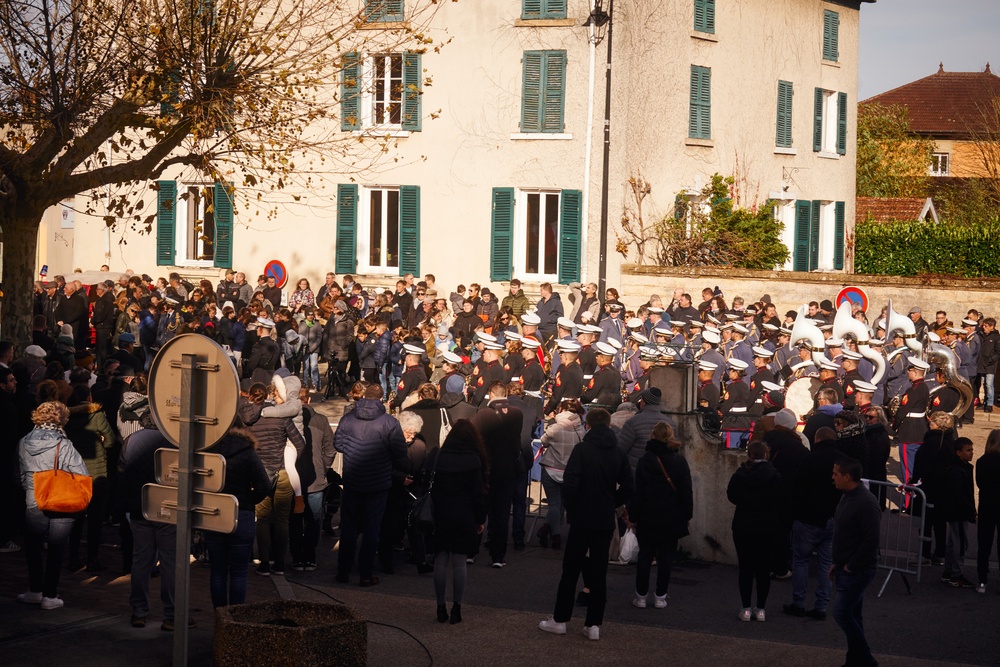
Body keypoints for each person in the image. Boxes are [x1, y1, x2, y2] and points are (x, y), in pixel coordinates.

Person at [538, 408, 633, 641]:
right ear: (609, 424)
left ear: (588, 425)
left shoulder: (582, 450)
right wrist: (613, 502)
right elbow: (628, 487)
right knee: (599, 572)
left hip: (582, 517)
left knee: (571, 569)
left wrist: (573, 507)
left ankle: (560, 619)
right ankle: (593, 624)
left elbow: (571, 484)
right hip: (603, 517)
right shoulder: (618, 452)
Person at [16, 401, 90, 610]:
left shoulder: (23, 442)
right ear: (62, 420)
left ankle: (35, 590)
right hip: (62, 500)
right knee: (57, 550)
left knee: (33, 548)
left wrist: (31, 490)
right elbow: (81, 473)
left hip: (33, 500)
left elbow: (19, 474)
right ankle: (50, 595)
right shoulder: (63, 444)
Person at [334, 383, 407, 586]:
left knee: (349, 527)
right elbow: (400, 452)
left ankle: (343, 571)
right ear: (381, 399)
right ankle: (365, 573)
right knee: (372, 529)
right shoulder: (389, 423)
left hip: (353, 479)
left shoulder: (348, 419)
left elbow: (338, 444)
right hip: (378, 482)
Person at [201, 427, 270, 607]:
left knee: (217, 571)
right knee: (239, 572)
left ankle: (219, 616)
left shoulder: (208, 451)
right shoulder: (248, 452)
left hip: (213, 512)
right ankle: (234, 618)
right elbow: (264, 485)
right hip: (241, 513)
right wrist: (248, 501)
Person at [628, 422, 693, 610]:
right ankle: (660, 596)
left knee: (645, 556)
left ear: (653, 436)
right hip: (672, 515)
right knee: (666, 557)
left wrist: (633, 515)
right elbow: (685, 492)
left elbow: (638, 492)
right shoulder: (679, 461)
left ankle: (641, 595)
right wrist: (687, 515)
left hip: (648, 514)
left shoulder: (645, 460)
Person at [428, 419, 488, 624]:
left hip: (440, 511)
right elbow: (478, 494)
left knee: (440, 560)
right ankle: (457, 607)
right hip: (464, 513)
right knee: (460, 561)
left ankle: (440, 606)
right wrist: (480, 519)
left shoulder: (437, 456)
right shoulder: (474, 460)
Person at [782, 426, 843, 621]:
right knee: (826, 564)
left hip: (808, 518)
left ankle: (798, 603)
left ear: (816, 440)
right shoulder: (842, 461)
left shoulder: (809, 459)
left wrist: (795, 513)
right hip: (832, 519)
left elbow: (797, 489)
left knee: (800, 561)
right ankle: (821, 607)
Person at [831, 457, 881, 667]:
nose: (832, 477)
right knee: (853, 615)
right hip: (847, 566)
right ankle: (855, 661)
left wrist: (851, 565)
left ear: (847, 477)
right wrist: (838, 562)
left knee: (842, 613)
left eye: (836, 474)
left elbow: (871, 540)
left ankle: (865, 658)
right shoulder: (848, 496)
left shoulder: (865, 503)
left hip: (857, 570)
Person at [727, 440, 783, 622]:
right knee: (763, 568)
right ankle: (760, 609)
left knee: (745, 568)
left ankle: (745, 608)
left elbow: (732, 496)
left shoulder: (740, 475)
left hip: (743, 524)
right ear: (766, 455)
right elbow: (780, 499)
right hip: (766, 526)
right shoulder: (775, 477)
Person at [471, 382, 523, 568]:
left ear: (491, 394)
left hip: (487, 469)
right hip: (507, 470)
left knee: (479, 510)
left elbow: (473, 436)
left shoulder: (484, 414)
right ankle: (498, 557)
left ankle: (471, 551)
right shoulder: (517, 413)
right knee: (501, 514)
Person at [537, 399, 586, 550]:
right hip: (569, 472)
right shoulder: (581, 431)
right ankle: (548, 530)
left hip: (551, 468)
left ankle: (553, 533)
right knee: (561, 505)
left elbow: (543, 442)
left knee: (554, 504)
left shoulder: (554, 429)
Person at [941, 436, 977, 588]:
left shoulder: (961, 468)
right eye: (968, 450)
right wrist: (970, 509)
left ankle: (949, 572)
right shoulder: (957, 470)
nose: (971, 453)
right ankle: (956, 574)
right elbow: (960, 494)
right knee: (960, 543)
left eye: (972, 450)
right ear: (958, 453)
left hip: (957, 510)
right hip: (958, 511)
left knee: (953, 542)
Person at [976, 429, 1000, 594]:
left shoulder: (982, 460)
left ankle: (982, 579)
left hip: (987, 505)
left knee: (984, 544)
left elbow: (980, 483)